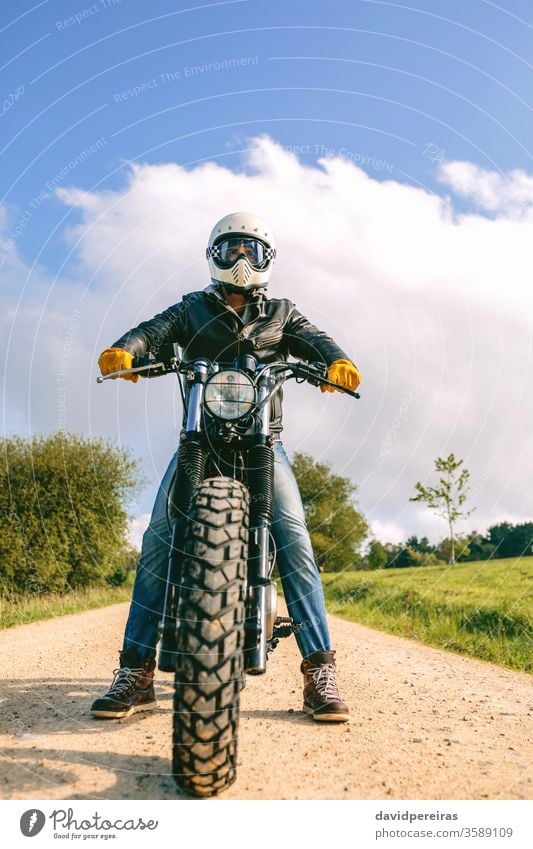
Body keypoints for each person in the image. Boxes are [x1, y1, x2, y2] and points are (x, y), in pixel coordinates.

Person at [91, 212, 361, 723]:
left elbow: (317, 340)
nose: (241, 260)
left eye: (251, 251)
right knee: (158, 537)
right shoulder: (192, 308)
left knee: (294, 538)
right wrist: (125, 351)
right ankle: (136, 670)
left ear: (267, 259)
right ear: (215, 255)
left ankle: (319, 671)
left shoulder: (282, 312)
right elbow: (154, 330)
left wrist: (335, 362)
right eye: (231, 249)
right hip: (201, 439)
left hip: (264, 441)